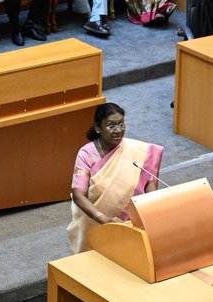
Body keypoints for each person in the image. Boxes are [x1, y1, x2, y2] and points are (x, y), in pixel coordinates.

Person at [67, 103, 164, 253]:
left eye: (121, 124)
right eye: (111, 126)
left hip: (132, 221)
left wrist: (152, 209)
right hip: (95, 221)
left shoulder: (137, 150)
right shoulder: (86, 154)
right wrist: (102, 218)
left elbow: (149, 183)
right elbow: (78, 195)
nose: (118, 130)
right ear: (98, 128)